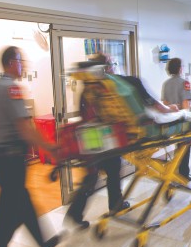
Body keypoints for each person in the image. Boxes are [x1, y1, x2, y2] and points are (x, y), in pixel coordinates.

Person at [65, 54, 180, 228]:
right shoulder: (126, 83)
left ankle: (112, 205)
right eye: (111, 64)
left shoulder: (87, 89)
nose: (113, 67)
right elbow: (153, 103)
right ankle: (92, 209)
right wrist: (170, 109)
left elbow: (85, 114)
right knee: (104, 171)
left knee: (106, 169)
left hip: (91, 135)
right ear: (107, 67)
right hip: (109, 135)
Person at [0, 46, 60, 247]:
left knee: (21, 201)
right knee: (8, 214)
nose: (23, 64)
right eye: (20, 60)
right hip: (9, 159)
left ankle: (44, 242)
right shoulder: (11, 88)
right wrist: (50, 147)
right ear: (10, 63)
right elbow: (25, 129)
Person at [162, 58, 191, 181]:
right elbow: (185, 104)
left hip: (170, 120)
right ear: (180, 68)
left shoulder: (166, 83)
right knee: (185, 145)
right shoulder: (184, 83)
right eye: (182, 66)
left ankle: (175, 168)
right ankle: (184, 172)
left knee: (178, 145)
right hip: (181, 119)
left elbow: (165, 103)